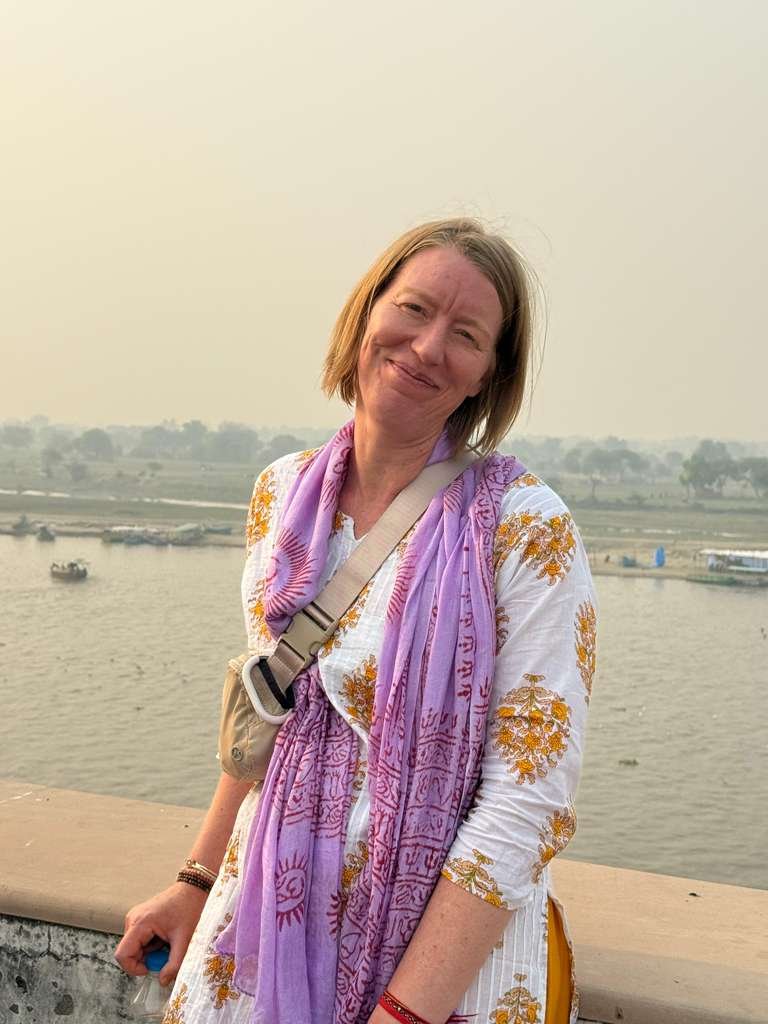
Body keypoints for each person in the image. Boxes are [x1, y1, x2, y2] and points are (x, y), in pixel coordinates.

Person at [115, 218, 597, 1024]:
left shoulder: (524, 527)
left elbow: (528, 800)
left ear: (488, 374)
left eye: (466, 335)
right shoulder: (284, 494)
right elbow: (271, 712)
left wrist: (404, 1012)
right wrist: (194, 881)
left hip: (437, 968)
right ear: (367, 312)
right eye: (414, 309)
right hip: (266, 919)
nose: (427, 347)